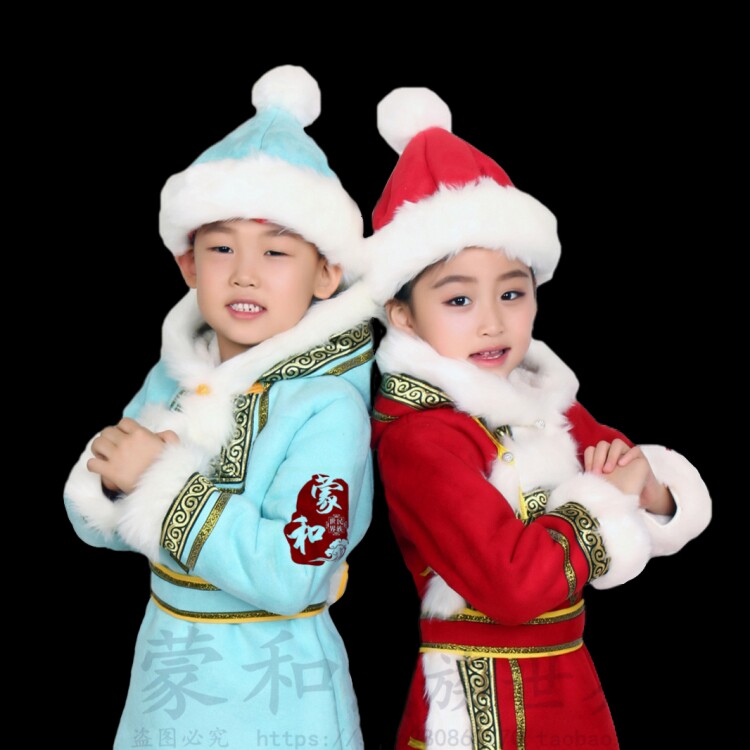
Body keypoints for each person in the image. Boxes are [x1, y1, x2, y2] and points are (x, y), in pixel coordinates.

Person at [364, 87, 712, 750]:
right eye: (459, 299)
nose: (494, 321)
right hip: (477, 700)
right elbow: (512, 584)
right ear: (402, 314)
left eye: (512, 292)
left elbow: (628, 465)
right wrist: (606, 496)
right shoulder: (421, 436)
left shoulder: (543, 401)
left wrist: (651, 488)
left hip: (569, 677)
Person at [63, 65, 376, 749]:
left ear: (327, 272)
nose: (244, 273)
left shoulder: (329, 407)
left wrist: (158, 480)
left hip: (278, 685)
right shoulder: (174, 377)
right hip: (167, 668)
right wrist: (113, 487)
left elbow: (295, 574)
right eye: (221, 247)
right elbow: (94, 521)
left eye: (276, 251)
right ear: (188, 265)